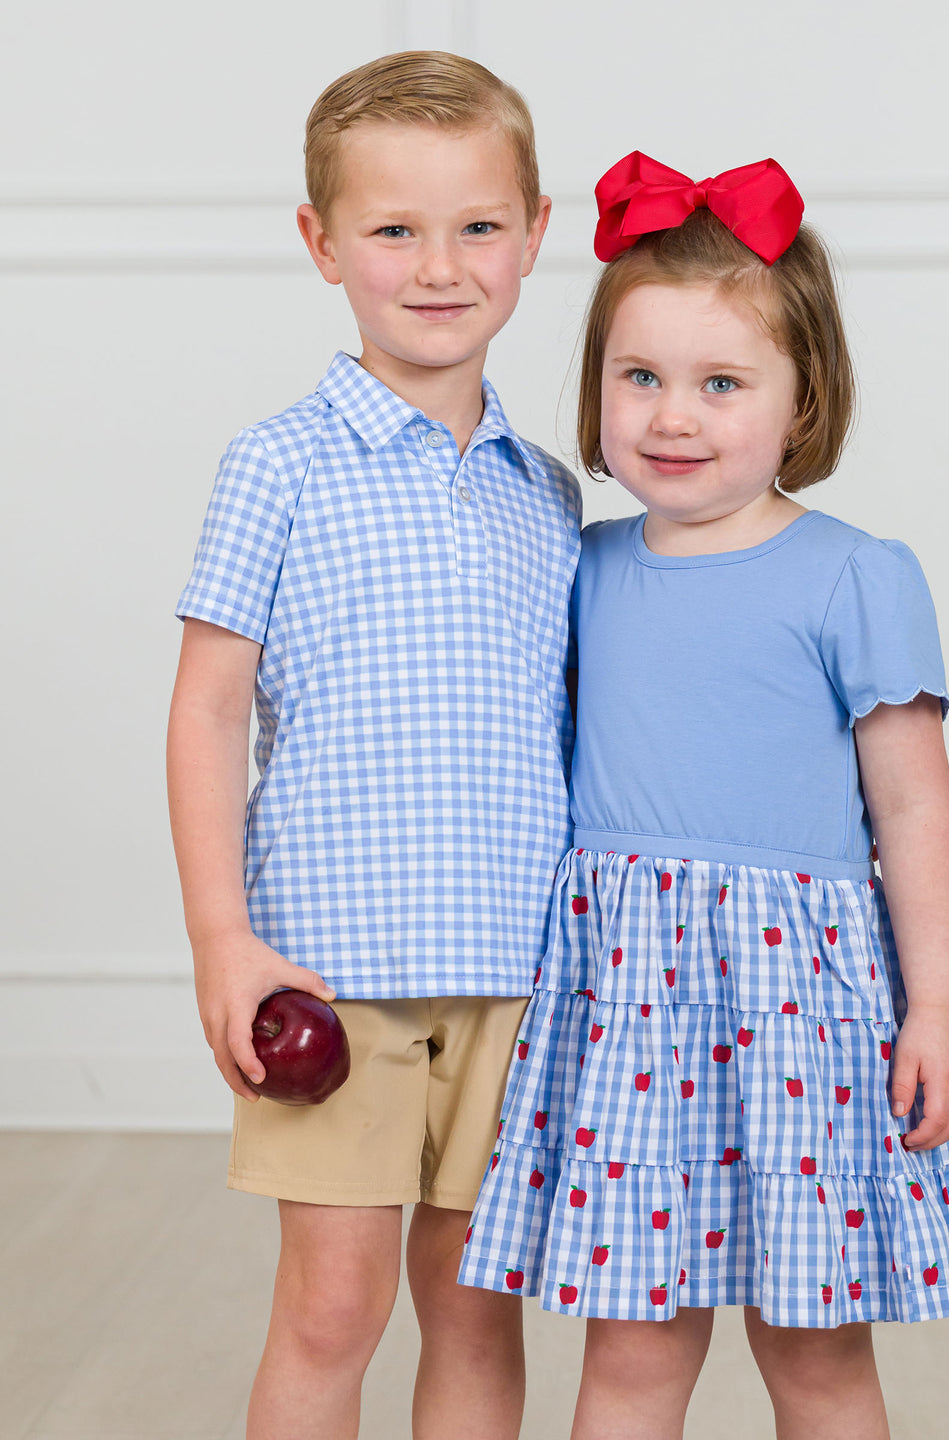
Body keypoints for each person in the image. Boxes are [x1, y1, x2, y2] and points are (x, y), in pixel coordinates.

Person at [458, 152, 949, 1440]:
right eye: (638, 377)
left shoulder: (853, 574)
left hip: (798, 1005)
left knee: (815, 1358)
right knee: (632, 1356)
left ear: (802, 403)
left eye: (721, 383)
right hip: (627, 1004)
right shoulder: (577, 563)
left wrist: (939, 1009)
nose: (673, 416)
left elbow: (915, 812)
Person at [166, 52, 580, 1440]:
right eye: (394, 229)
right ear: (322, 243)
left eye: (475, 226)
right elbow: (210, 709)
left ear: (535, 231)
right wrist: (225, 939)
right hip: (330, 972)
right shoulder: (278, 463)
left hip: (516, 966)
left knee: (475, 1307)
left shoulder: (552, 495)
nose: (438, 265)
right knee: (333, 1311)